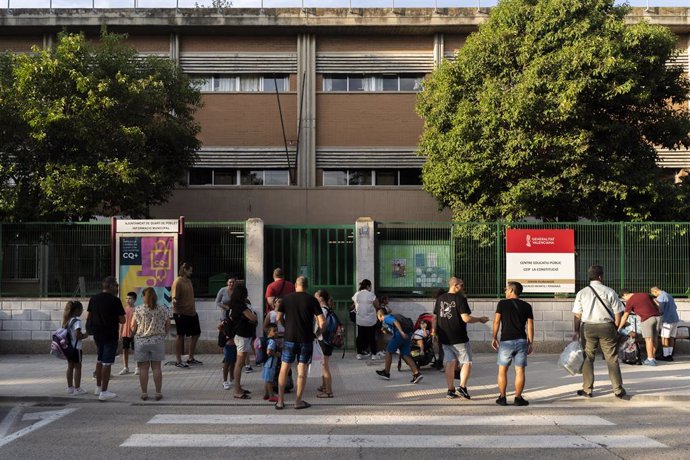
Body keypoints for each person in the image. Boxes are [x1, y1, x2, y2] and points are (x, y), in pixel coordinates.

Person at [572, 265, 626, 399]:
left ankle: (587, 389)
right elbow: (618, 312)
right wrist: (617, 327)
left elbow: (577, 315)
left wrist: (577, 331)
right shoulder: (610, 291)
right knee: (611, 358)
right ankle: (618, 389)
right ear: (601, 277)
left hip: (588, 328)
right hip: (606, 326)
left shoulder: (582, 293)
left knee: (588, 357)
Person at [432, 277, 489, 400]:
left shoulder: (440, 298)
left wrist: (433, 333)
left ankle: (450, 390)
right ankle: (462, 387)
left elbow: (435, 318)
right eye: (462, 285)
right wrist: (480, 319)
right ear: (456, 285)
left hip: (444, 337)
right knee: (467, 362)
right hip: (459, 338)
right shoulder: (460, 299)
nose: (463, 288)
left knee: (450, 362)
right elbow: (466, 318)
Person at [275, 276, 326, 410]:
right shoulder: (312, 300)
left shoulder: (286, 298)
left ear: (295, 285)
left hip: (289, 338)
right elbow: (323, 321)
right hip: (306, 339)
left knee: (284, 369)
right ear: (307, 286)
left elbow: (278, 317)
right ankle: (298, 402)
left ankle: (280, 401)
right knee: (301, 370)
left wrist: (286, 325)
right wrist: (318, 333)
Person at [491, 281, 534, 407]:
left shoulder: (502, 304)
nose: (505, 291)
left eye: (506, 289)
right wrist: (530, 342)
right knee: (520, 371)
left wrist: (494, 337)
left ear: (511, 290)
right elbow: (530, 325)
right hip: (521, 341)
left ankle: (502, 397)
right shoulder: (527, 306)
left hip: (506, 342)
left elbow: (496, 321)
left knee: (502, 370)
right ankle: (518, 398)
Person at [86, 276, 125, 401]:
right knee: (107, 362)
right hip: (110, 334)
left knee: (99, 359)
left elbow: (89, 316)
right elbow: (122, 320)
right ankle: (104, 391)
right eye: (116, 286)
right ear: (111, 286)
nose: (118, 288)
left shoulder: (94, 299)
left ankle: (98, 387)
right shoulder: (115, 301)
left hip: (97, 333)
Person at [131, 287, 170, 401]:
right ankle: (158, 392)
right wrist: (163, 334)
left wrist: (134, 333)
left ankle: (144, 393)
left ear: (144, 297)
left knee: (143, 368)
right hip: (157, 340)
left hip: (141, 341)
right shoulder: (162, 309)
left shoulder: (138, 309)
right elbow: (167, 323)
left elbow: (133, 326)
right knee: (156, 367)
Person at [375, 309, 423, 384]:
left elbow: (395, 322)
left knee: (388, 352)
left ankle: (386, 373)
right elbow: (394, 327)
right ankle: (416, 373)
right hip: (408, 334)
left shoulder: (386, 318)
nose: (378, 318)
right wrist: (386, 331)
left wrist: (401, 332)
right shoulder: (391, 317)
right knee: (405, 355)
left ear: (380, 315)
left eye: (377, 316)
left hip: (400, 335)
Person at [229, 284, 258, 399]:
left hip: (242, 335)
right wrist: (253, 318)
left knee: (240, 363)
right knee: (239, 363)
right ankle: (237, 390)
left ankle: (239, 387)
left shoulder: (234, 304)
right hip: (242, 336)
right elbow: (253, 318)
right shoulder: (240, 305)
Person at [172, 262, 202, 368]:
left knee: (196, 333)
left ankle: (190, 357)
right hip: (181, 313)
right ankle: (178, 360)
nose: (191, 272)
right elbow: (174, 298)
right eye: (190, 270)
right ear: (185, 269)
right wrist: (177, 310)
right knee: (180, 336)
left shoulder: (188, 281)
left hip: (192, 313)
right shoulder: (178, 282)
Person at [619, 290, 661, 366]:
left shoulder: (630, 301)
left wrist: (619, 328)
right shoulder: (645, 294)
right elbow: (657, 304)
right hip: (657, 317)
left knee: (648, 339)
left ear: (625, 295)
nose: (625, 300)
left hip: (647, 319)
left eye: (624, 298)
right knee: (655, 338)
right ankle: (653, 357)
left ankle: (650, 359)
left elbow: (625, 316)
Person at [63, 300, 88, 396]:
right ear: (77, 310)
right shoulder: (76, 321)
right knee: (78, 367)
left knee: (70, 367)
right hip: (76, 348)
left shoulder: (67, 320)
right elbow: (78, 335)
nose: (82, 312)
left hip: (68, 348)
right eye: (81, 309)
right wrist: (85, 335)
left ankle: (70, 387)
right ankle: (77, 389)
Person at [352, 279, 381, 360]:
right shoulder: (371, 295)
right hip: (370, 320)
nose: (371, 288)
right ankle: (374, 354)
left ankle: (359, 353)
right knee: (371, 337)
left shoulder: (357, 294)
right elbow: (377, 305)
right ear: (368, 286)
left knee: (360, 336)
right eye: (370, 286)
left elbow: (355, 304)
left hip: (360, 319)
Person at [651, 286, 680, 361]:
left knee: (664, 337)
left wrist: (655, 303)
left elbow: (661, 310)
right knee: (671, 337)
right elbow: (675, 307)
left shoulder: (661, 297)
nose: (655, 296)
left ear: (655, 291)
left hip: (667, 320)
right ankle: (670, 354)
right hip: (675, 318)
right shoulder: (669, 295)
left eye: (654, 294)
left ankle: (666, 355)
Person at [315, 289, 335, 398]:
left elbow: (322, 325)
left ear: (321, 298)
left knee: (325, 366)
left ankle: (328, 391)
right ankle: (324, 386)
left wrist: (316, 334)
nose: (314, 298)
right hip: (327, 340)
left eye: (316, 296)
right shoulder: (327, 309)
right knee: (323, 364)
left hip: (324, 340)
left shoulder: (322, 310)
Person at [118, 291, 137, 376]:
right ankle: (126, 367)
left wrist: (135, 331)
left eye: (130, 298)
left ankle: (137, 367)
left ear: (135, 300)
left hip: (134, 333)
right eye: (127, 298)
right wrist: (120, 333)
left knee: (136, 350)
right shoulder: (124, 309)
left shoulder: (136, 309)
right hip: (125, 333)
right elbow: (121, 323)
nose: (128, 300)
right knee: (125, 350)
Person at [262, 323, 280, 403]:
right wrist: (276, 354)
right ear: (269, 332)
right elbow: (269, 352)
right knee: (270, 380)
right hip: (270, 364)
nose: (276, 332)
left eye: (277, 330)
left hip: (266, 363)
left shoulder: (267, 339)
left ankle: (266, 394)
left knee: (267, 379)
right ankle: (271, 396)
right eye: (274, 331)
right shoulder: (272, 341)